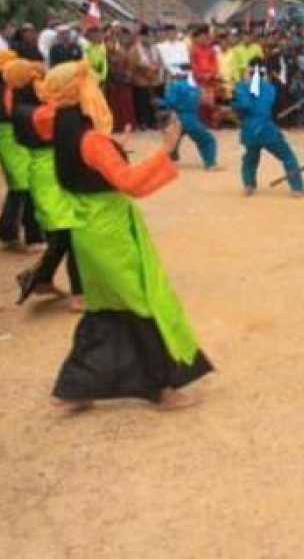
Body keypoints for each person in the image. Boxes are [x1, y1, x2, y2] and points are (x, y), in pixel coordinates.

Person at [42, 60, 212, 412]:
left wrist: (113, 147)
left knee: (105, 307)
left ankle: (76, 386)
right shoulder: (90, 140)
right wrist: (166, 148)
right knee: (141, 305)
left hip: (89, 232)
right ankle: (162, 389)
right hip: (111, 234)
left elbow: (92, 167)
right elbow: (131, 183)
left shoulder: (63, 129)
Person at [7, 59, 84, 310]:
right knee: (70, 232)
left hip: (48, 171)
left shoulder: (23, 106)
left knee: (62, 235)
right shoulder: (32, 112)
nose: (41, 83)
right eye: (36, 79)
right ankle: (78, 294)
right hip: (49, 174)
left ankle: (40, 278)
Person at [0, 56, 44, 249]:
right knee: (22, 186)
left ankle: (9, 231)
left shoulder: (13, 89)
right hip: (8, 139)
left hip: (14, 140)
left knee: (21, 186)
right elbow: (5, 114)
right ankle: (17, 234)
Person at [232, 59, 304, 197]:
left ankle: (248, 185)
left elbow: (242, 106)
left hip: (248, 128)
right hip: (266, 127)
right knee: (287, 156)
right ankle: (297, 188)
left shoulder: (241, 87)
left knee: (250, 157)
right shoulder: (270, 88)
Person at [162, 65, 218, 170]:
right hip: (190, 118)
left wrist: (158, 102)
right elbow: (205, 102)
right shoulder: (195, 87)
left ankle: (167, 160)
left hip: (175, 118)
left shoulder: (174, 86)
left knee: (172, 139)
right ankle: (210, 163)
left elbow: (169, 102)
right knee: (207, 140)